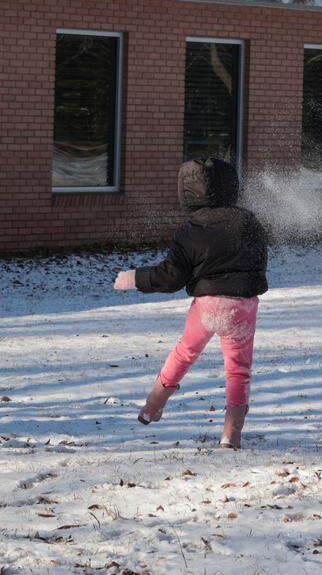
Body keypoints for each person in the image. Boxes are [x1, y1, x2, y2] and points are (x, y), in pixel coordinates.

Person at [113, 157, 269, 449]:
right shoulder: (250, 222)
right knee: (238, 369)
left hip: (208, 306)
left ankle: (152, 406)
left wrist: (135, 278)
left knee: (185, 352)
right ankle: (231, 434)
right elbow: (259, 261)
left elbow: (171, 276)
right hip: (243, 306)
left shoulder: (191, 230)